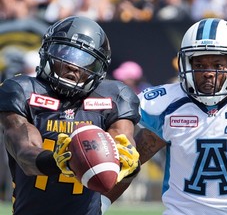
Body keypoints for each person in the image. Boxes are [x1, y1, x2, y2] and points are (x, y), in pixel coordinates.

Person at [134, 18, 227, 215]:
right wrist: (100, 204)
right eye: (199, 64)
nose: (208, 73)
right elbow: (129, 166)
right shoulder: (167, 104)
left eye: (217, 64)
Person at [0, 16, 140, 215]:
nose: (74, 65)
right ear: (48, 52)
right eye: (66, 54)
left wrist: (129, 161)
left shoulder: (115, 96)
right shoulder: (22, 90)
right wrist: (60, 160)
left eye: (85, 59)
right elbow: (25, 153)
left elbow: (124, 143)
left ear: (99, 68)